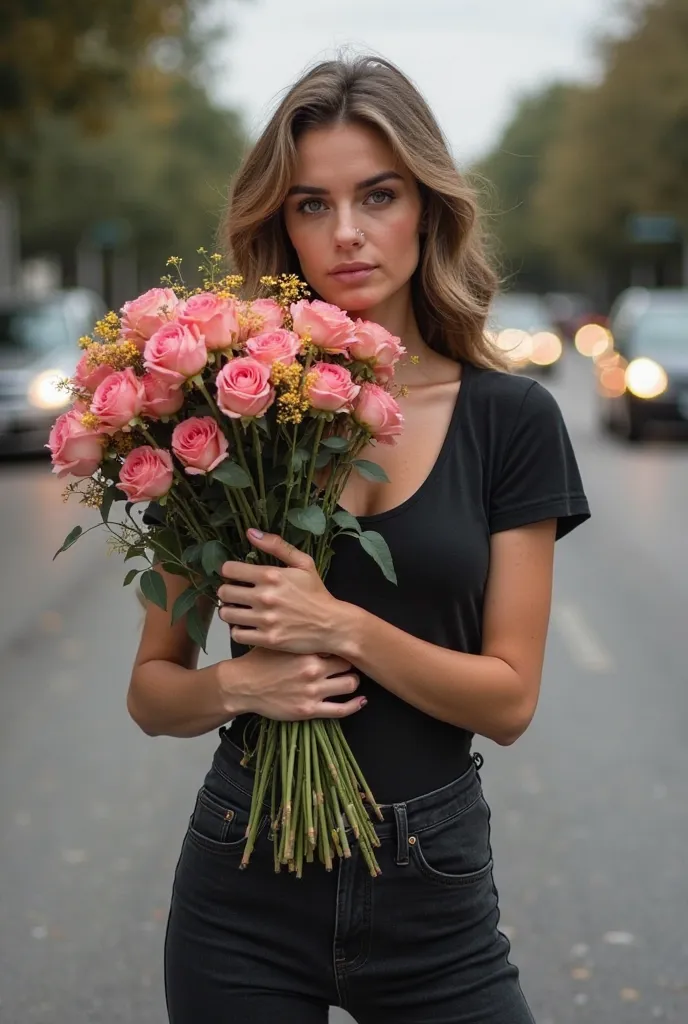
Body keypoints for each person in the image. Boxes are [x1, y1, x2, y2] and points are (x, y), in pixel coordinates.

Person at [128, 55, 590, 1024]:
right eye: (310, 204)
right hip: (240, 875)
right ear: (279, 223)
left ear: (425, 205)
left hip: (432, 887)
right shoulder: (217, 418)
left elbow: (508, 701)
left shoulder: (509, 419)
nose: (345, 233)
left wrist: (339, 625)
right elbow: (153, 691)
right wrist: (235, 685)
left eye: (376, 195)